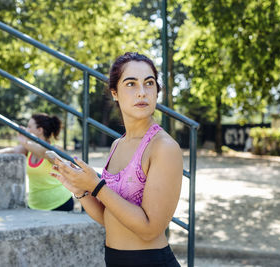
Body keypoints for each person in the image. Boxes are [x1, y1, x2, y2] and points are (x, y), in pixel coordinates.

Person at [51, 52, 183, 266]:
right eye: (131, 84)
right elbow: (110, 218)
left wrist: (97, 186)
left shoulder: (164, 147)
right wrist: (81, 190)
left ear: (157, 91)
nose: (142, 92)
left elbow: (150, 229)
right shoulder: (117, 145)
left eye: (149, 83)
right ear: (115, 93)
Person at [0, 113, 74, 212]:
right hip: (34, 207)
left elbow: (44, 152)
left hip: (60, 204)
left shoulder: (56, 149)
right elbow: (12, 151)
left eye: (29, 127)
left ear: (39, 130)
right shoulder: (28, 148)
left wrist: (25, 142)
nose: (26, 130)